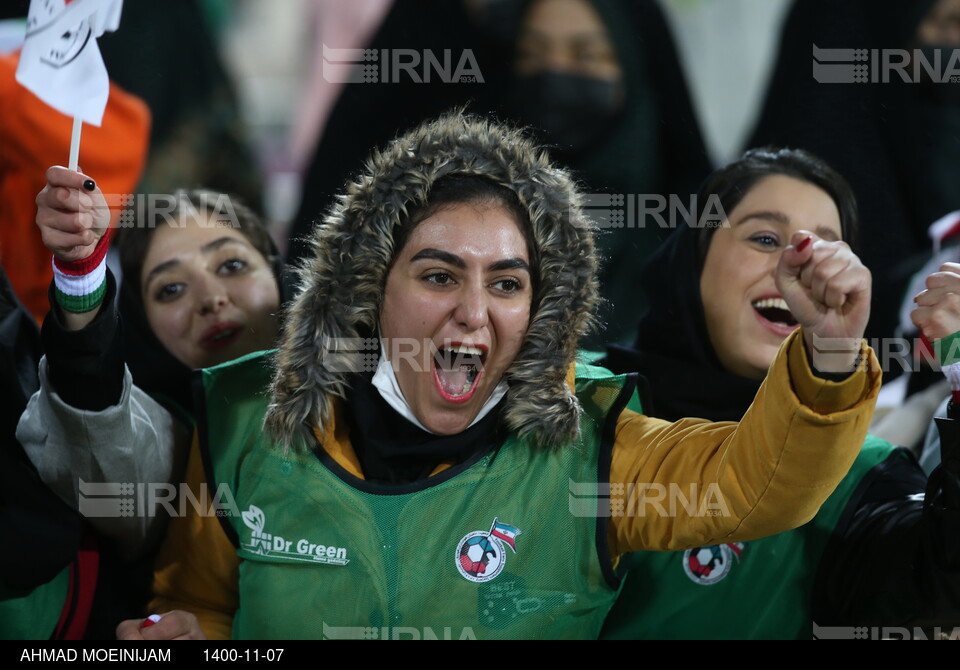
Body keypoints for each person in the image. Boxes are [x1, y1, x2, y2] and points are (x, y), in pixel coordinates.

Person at [117, 112, 879, 641]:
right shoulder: (247, 415)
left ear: (543, 310)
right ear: (369, 285)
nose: (475, 313)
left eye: (509, 284)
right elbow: (200, 601)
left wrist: (834, 351)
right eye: (439, 275)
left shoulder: (593, 445)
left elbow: (763, 486)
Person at [598, 147, 960, 639]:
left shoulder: (860, 473)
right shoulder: (567, 396)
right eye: (765, 238)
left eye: (830, 251)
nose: (800, 267)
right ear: (692, 257)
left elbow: (943, 588)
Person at [17, 167, 285, 565]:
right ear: (140, 326)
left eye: (231, 265)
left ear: (279, 273)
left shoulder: (370, 375)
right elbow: (97, 420)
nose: (211, 298)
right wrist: (82, 273)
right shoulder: (166, 448)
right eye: (171, 289)